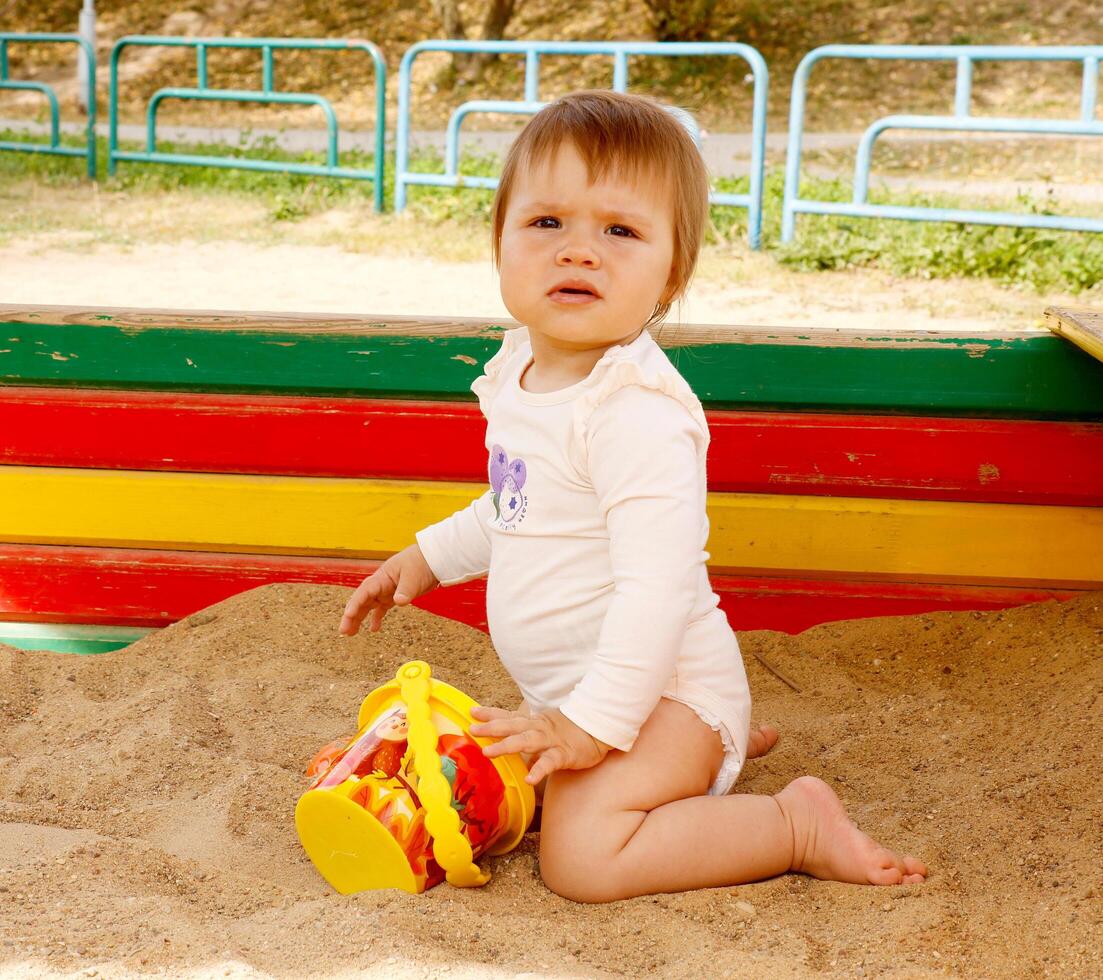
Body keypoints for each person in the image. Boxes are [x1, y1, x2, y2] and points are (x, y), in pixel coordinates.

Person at [338, 90, 927, 902]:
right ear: (499, 242)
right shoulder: (519, 374)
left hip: (664, 690)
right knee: (492, 776)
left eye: (619, 231)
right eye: (547, 223)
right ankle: (688, 767)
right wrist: (426, 558)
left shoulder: (634, 415)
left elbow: (656, 594)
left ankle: (792, 823)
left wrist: (588, 729)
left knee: (580, 860)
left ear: (669, 272)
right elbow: (518, 508)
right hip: (591, 694)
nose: (579, 252)